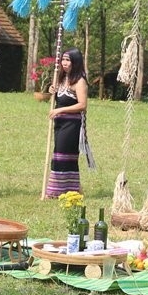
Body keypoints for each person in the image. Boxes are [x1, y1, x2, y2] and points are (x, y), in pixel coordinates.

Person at [44, 48, 94, 199]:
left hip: (72, 125)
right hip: (60, 124)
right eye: (63, 60)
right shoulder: (61, 79)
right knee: (59, 154)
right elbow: (58, 98)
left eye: (68, 60)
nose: (64, 63)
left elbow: (82, 105)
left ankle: (57, 191)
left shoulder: (79, 81)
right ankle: (71, 189)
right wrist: (52, 90)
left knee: (64, 155)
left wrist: (59, 111)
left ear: (75, 62)